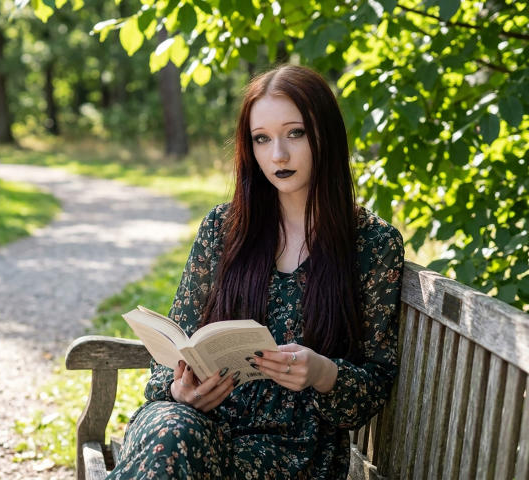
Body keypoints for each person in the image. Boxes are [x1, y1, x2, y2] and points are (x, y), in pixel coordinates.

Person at [107, 64, 404, 479]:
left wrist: (321, 372)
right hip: (193, 427)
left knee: (169, 446)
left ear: (326, 135)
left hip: (287, 455)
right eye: (262, 139)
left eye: (294, 133)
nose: (277, 154)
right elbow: (171, 351)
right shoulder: (224, 228)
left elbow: (375, 383)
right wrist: (178, 391)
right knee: (170, 430)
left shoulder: (371, 244)